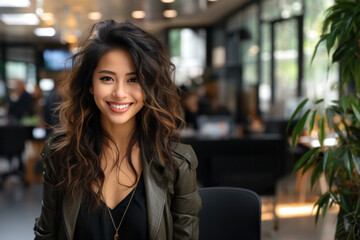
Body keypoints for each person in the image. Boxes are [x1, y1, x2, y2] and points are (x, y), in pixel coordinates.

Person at [34, 20, 202, 240]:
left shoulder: (178, 162)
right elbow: (46, 235)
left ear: (149, 86)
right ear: (91, 85)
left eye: (134, 79)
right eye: (107, 78)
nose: (120, 93)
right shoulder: (61, 155)